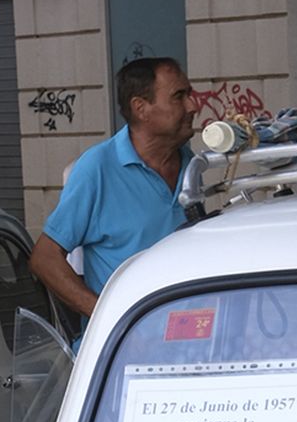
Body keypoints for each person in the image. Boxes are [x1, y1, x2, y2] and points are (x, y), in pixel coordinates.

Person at [30, 57, 196, 328]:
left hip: (185, 339)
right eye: (179, 96)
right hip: (125, 354)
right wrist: (112, 317)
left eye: (190, 94)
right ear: (140, 108)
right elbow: (45, 259)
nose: (193, 106)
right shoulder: (97, 167)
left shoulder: (190, 162)